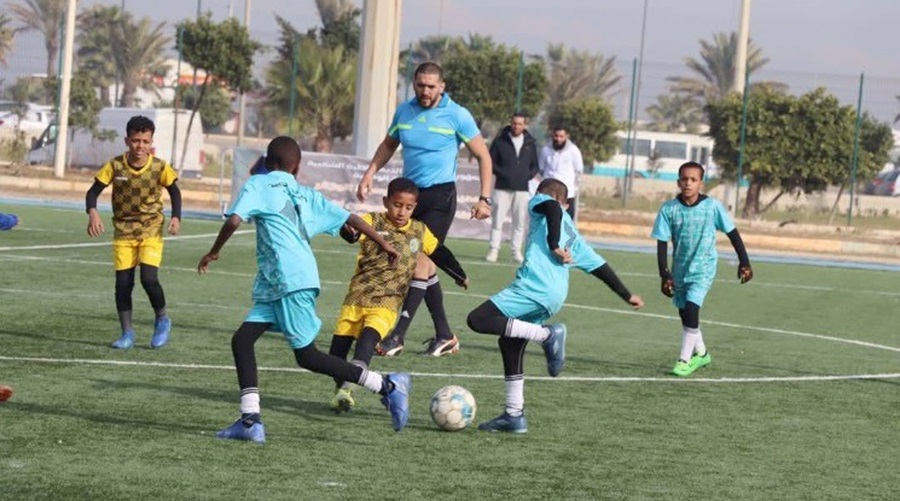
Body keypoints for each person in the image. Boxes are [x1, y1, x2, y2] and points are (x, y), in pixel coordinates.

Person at [197, 136, 411, 443]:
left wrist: (215, 250)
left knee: (307, 356)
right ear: (296, 166)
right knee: (242, 341)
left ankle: (387, 386)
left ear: (266, 161)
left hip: (288, 279)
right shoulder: (304, 192)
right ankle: (249, 421)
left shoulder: (259, 184)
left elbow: (233, 220)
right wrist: (384, 243)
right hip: (279, 282)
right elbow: (349, 218)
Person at [467, 179, 644, 433]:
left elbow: (551, 207)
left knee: (478, 319)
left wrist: (552, 245)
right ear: (569, 203)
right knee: (509, 341)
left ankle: (547, 335)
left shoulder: (542, 201)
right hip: (554, 296)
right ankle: (514, 414)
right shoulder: (574, 236)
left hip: (534, 287)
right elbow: (600, 268)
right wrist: (627, 295)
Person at [356, 61, 493, 358]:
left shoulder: (457, 115)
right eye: (420, 85)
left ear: (442, 86)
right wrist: (370, 173)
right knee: (421, 266)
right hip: (411, 199)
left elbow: (483, 156)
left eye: (432, 86)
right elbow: (388, 144)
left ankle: (397, 336)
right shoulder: (404, 111)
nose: (426, 91)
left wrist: (485, 199)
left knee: (419, 262)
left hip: (440, 198)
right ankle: (445, 335)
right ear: (414, 84)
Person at [328, 177, 469, 412]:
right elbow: (352, 233)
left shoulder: (419, 230)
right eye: (397, 204)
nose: (402, 211)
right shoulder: (371, 220)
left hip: (386, 303)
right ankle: (342, 387)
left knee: (367, 342)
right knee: (335, 357)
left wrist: (458, 273)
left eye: (408, 207)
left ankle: (348, 390)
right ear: (386, 201)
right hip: (356, 298)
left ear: (415, 207)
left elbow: (439, 252)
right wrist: (347, 229)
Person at [85, 115, 181, 350]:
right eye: (136, 140)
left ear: (151, 142)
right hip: (123, 232)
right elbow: (92, 192)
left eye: (145, 141)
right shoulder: (115, 165)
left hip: (150, 228)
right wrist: (93, 213)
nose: (141, 146)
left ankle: (162, 319)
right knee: (123, 284)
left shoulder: (159, 166)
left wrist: (176, 217)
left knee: (148, 278)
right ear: (127, 140)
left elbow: (175, 191)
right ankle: (127, 333)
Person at [651, 161, 753, 377]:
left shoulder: (712, 207)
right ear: (678, 182)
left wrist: (744, 261)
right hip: (680, 270)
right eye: (684, 179)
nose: (688, 183)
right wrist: (664, 273)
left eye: (693, 180)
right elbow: (661, 242)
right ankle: (702, 353)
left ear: (701, 184)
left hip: (703, 270)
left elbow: (733, 233)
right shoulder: (669, 209)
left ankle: (684, 360)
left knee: (691, 309)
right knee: (684, 313)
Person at [486, 112, 540, 264]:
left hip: (522, 189)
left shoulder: (530, 142)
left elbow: (535, 165)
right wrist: (503, 174)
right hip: (501, 188)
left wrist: (526, 176)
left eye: (520, 124)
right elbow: (490, 162)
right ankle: (493, 250)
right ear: (511, 123)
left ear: (525, 125)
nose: (516, 126)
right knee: (497, 221)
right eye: (514, 123)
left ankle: (516, 252)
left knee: (519, 223)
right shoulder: (500, 141)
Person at [538, 126, 583, 220]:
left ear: (566, 136)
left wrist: (574, 188)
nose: (558, 139)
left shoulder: (573, 150)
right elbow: (541, 170)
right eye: (556, 136)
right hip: (548, 194)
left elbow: (579, 171)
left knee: (566, 222)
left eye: (561, 136)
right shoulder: (546, 150)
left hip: (567, 194)